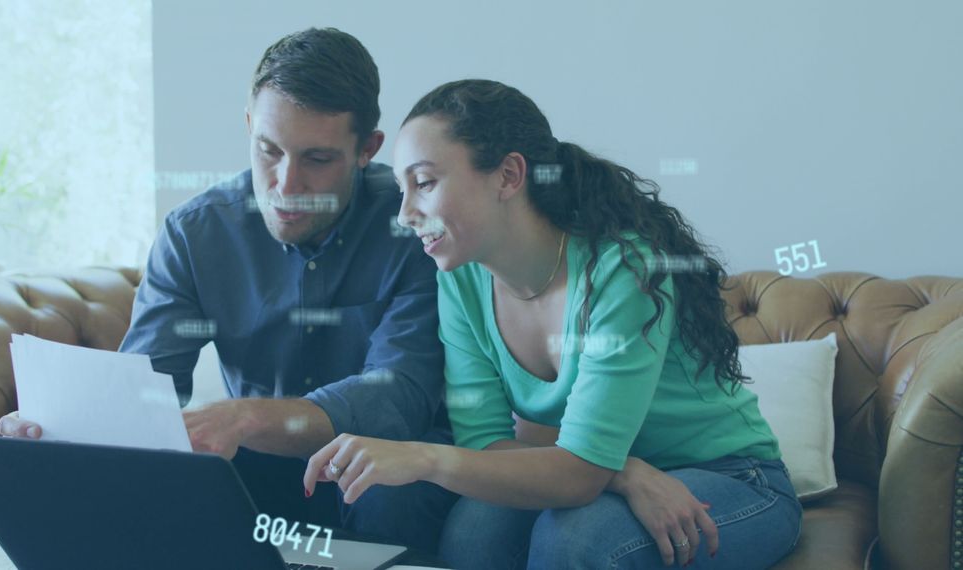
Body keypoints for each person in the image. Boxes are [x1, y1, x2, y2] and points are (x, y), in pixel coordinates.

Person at [302, 79, 803, 569]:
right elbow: (485, 444)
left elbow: (579, 474)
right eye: (402, 190)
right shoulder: (460, 279)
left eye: (425, 183)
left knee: (578, 539)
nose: (407, 214)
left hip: (736, 478)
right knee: (474, 529)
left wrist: (424, 458)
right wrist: (622, 473)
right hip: (605, 473)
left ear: (508, 176)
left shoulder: (622, 270)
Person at [0, 27, 458, 555]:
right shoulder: (195, 235)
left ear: (366, 149)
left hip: (387, 465)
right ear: (248, 126)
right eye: (269, 150)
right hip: (263, 469)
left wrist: (243, 416)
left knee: (391, 492)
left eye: (317, 159)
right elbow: (148, 392)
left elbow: (397, 395)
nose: (286, 185)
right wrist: (57, 431)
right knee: (170, 488)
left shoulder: (415, 226)